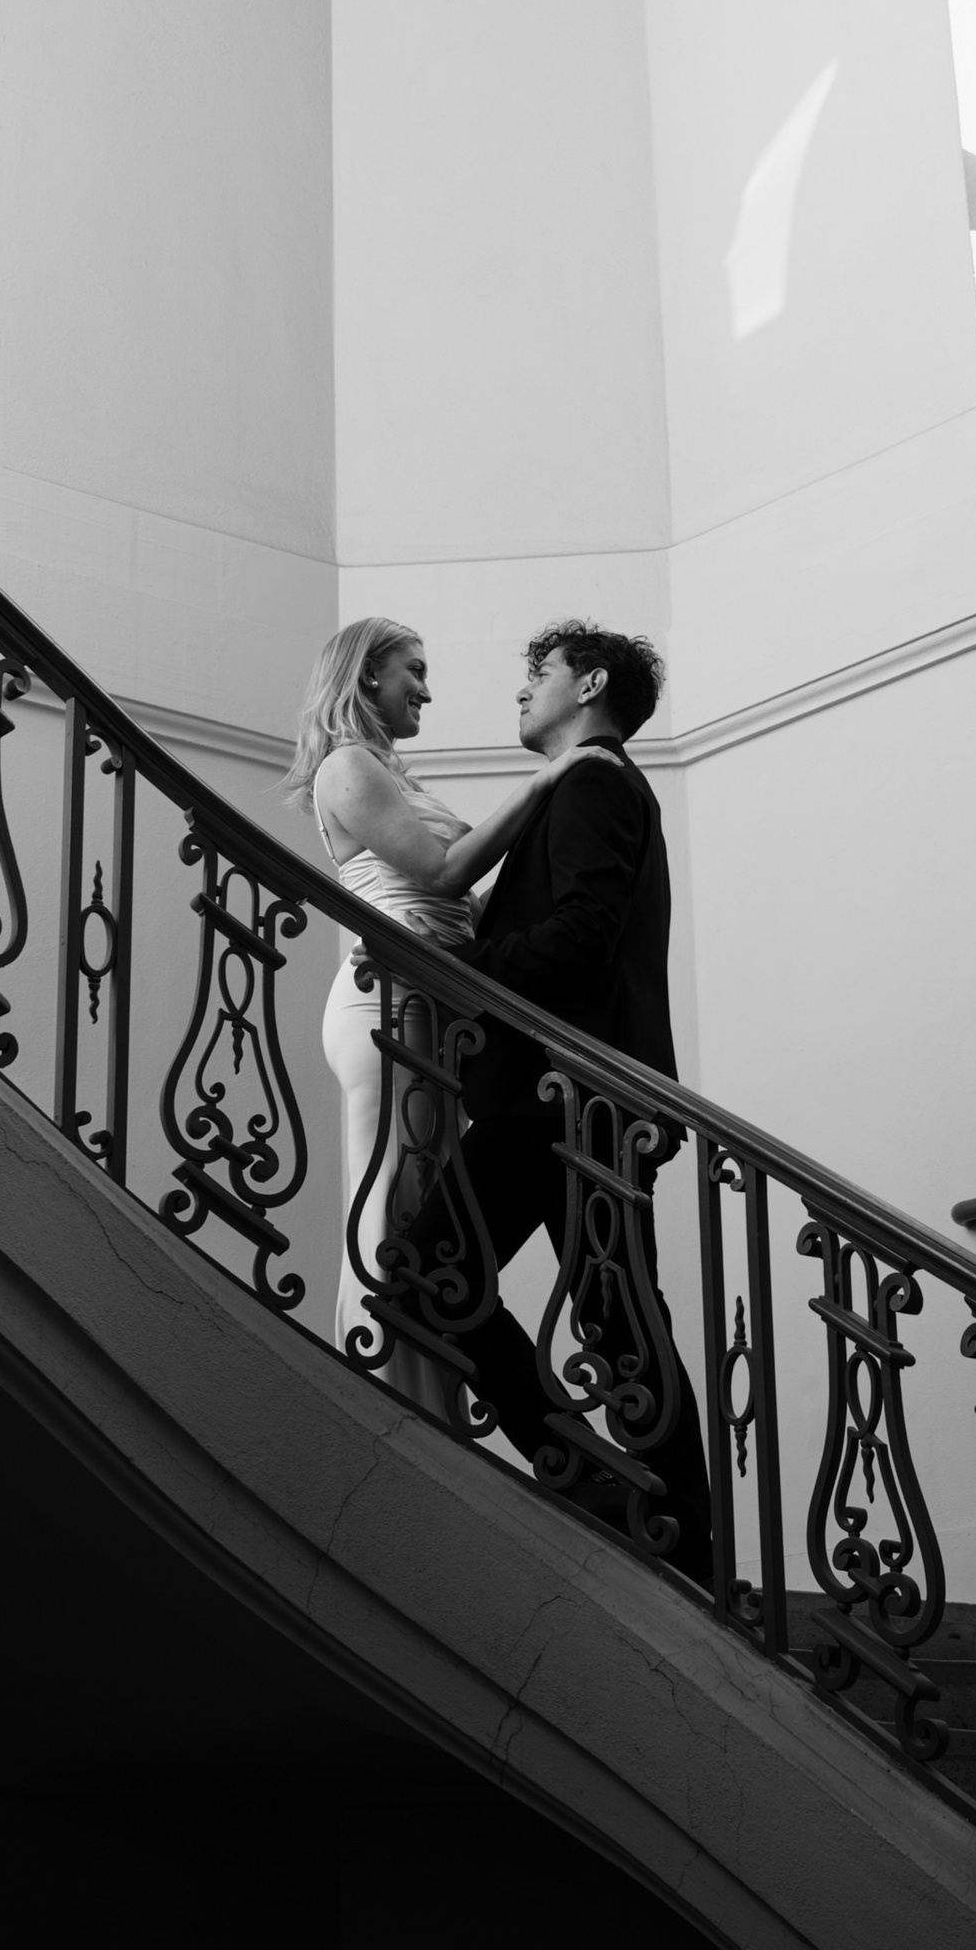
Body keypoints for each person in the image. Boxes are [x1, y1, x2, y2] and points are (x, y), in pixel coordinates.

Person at [396, 622, 716, 1583]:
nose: (523, 692)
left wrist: (460, 964)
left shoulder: (592, 781)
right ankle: (667, 1527)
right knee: (614, 1315)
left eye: (539, 674)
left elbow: (581, 932)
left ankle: (646, 1513)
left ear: (592, 684)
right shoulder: (604, 786)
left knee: (433, 1275)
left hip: (560, 1098)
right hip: (571, 1096)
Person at [284, 616, 604, 1426]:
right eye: (412, 671)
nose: (426, 688)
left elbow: (465, 904)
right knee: (391, 1197)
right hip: (386, 1007)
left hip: (432, 1005)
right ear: (365, 679)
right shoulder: (347, 767)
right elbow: (444, 868)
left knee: (422, 1202)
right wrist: (546, 783)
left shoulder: (392, 775)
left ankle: (429, 1410)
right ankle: (376, 1408)